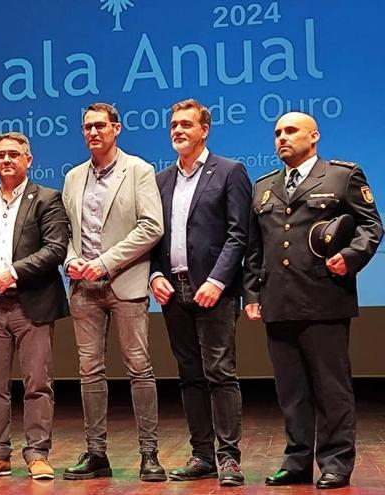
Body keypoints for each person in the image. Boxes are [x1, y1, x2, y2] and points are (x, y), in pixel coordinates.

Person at [243, 112, 382, 490]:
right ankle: (297, 461)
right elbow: (255, 249)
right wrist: (252, 294)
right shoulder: (264, 187)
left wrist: (350, 258)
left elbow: (372, 226)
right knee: (291, 391)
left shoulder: (341, 176)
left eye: (290, 131)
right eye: (277, 133)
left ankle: (336, 462)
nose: (281, 138)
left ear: (314, 136)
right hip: (278, 301)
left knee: (331, 388)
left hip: (324, 298)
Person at [61, 103, 166, 481]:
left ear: (116, 129)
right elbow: (66, 230)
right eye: (87, 127)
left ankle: (149, 454)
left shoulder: (138, 170)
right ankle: (96, 454)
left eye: (100, 126)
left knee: (139, 369)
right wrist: (71, 259)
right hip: (83, 286)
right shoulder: (73, 177)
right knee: (89, 371)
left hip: (125, 282)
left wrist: (104, 262)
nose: (92, 132)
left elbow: (151, 226)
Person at [150, 99, 251, 486]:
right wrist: (155, 274)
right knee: (189, 375)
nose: (178, 130)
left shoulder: (229, 171)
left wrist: (218, 281)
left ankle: (229, 459)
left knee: (220, 373)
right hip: (172, 291)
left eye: (186, 124)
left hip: (214, 289)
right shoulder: (160, 180)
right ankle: (202, 454)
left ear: (204, 129)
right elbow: (154, 237)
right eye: (173, 124)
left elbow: (238, 234)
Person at [0, 132, 69, 480]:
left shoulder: (48, 199)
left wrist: (12, 272)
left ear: (29, 159)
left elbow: (55, 248)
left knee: (37, 383)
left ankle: (38, 453)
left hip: (32, 305)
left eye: (13, 154)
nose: (6, 160)